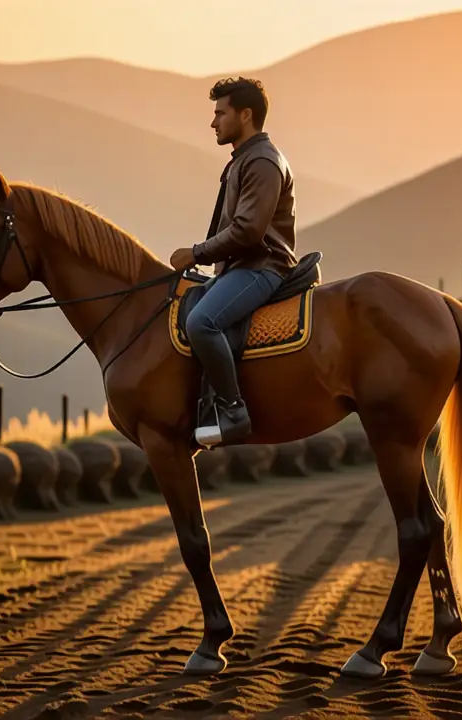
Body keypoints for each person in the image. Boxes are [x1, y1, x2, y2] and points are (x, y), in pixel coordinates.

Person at [169, 76, 298, 446]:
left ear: (245, 115)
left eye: (220, 113)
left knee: (201, 322)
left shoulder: (262, 162)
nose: (213, 122)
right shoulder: (244, 160)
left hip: (262, 268)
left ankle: (233, 410)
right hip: (240, 268)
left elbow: (247, 231)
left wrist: (196, 253)